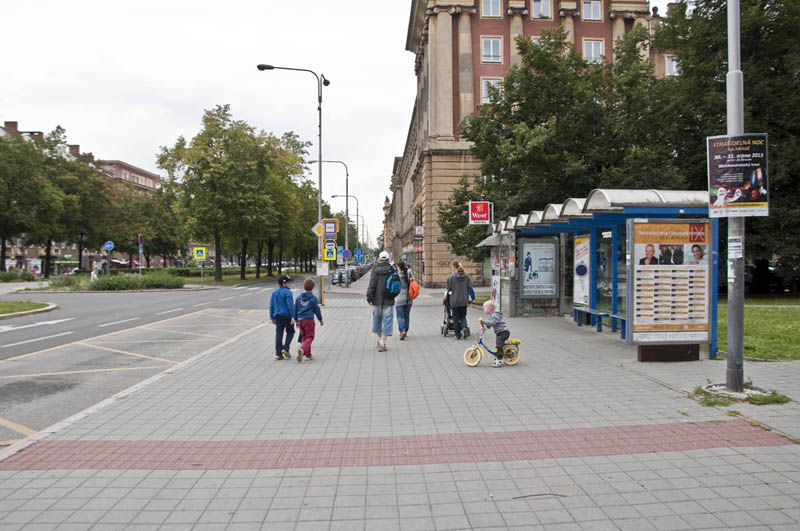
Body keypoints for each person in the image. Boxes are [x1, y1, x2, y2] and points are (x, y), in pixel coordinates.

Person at [367, 251, 395, 352]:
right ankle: (382, 342)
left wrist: (369, 298)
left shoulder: (375, 270)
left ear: (379, 259)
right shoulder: (392, 269)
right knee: (387, 320)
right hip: (389, 299)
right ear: (388, 259)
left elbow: (372, 285)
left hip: (377, 299)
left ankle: (380, 341)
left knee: (377, 320)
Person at [294, 277, 323, 363]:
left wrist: (296, 320)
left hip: (300, 320)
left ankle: (308, 355)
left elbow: (295, 309)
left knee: (304, 338)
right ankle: (302, 349)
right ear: (313, 287)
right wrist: (320, 319)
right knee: (310, 337)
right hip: (309, 321)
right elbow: (317, 310)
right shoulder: (313, 298)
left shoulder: (298, 298)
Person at [269, 275, 295, 360]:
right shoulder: (288, 292)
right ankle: (285, 348)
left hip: (277, 316)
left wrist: (272, 316)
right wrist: (293, 316)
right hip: (286, 315)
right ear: (285, 283)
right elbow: (290, 305)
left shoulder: (274, 293)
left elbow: (271, 305)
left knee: (279, 334)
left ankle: (278, 353)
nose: (289, 283)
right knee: (290, 331)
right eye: (288, 282)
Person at [446, 260, 474, 340]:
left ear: (454, 267)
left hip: (454, 300)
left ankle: (458, 335)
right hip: (464, 300)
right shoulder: (467, 277)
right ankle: (464, 327)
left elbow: (448, 288)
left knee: (455, 317)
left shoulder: (451, 277)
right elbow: (470, 286)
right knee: (463, 316)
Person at [480, 300, 510, 367]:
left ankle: (499, 359)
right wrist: (485, 328)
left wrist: (483, 320)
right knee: (499, 344)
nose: (483, 310)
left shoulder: (495, 315)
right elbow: (490, 324)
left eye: (484, 308)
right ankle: (500, 352)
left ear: (489, 309)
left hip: (504, 332)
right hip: (500, 332)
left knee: (499, 344)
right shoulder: (492, 315)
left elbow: (492, 322)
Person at [395, 261, 413, 340]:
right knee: (406, 316)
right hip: (409, 298)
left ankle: (402, 331)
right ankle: (405, 330)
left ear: (399, 267)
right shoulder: (408, 274)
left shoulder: (396, 275)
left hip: (399, 298)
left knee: (399, 316)